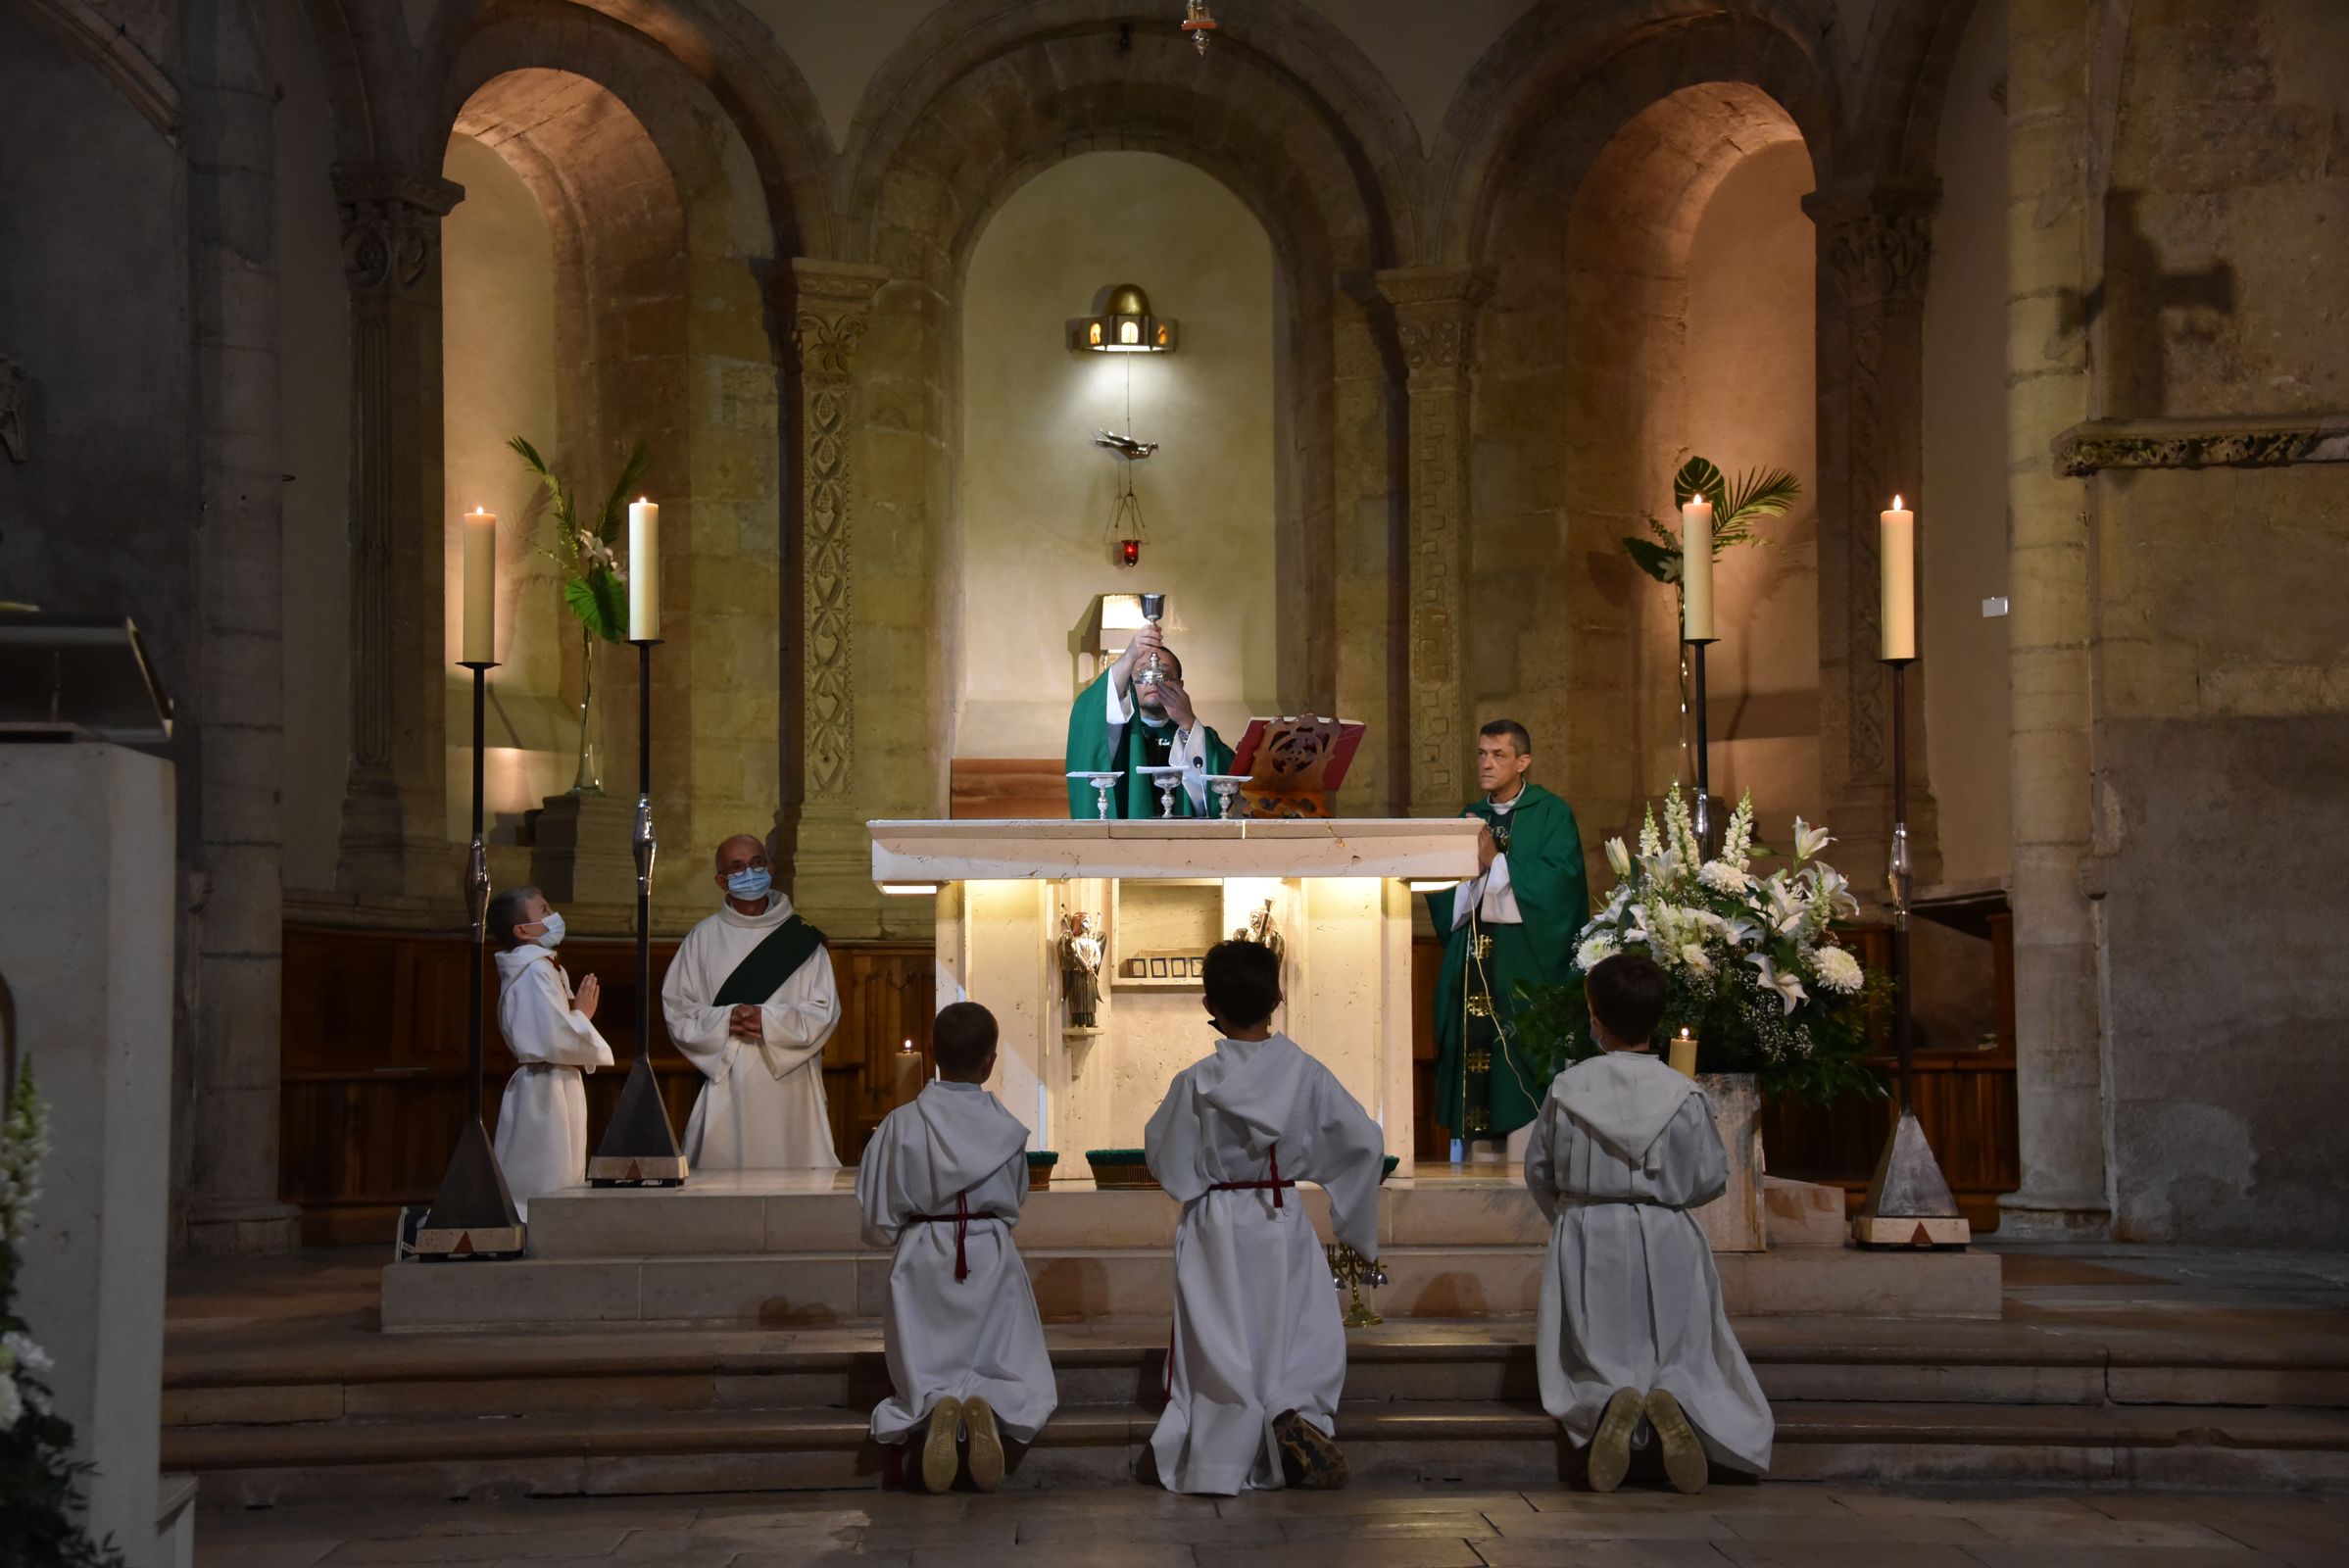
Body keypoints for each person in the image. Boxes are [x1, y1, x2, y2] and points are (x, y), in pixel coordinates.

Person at [1524, 953, 1773, 1494]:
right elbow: (1710, 1176)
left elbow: (1539, 1169)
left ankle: (1609, 1400)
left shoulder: (1569, 1090)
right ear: (1657, 1021)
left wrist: (1571, 1218)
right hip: (1667, 1237)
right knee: (1681, 1348)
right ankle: (1674, 1396)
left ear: (1595, 1018)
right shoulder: (1682, 1094)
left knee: (1589, 1353)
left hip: (1588, 1232)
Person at [1144, 940, 1385, 1494]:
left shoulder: (1195, 1081)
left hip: (1215, 1222)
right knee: (1294, 1330)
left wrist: (1196, 1179)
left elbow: (1164, 1155)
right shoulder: (1307, 1075)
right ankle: (1293, 1412)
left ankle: (1224, 1444)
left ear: (1209, 1004)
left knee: (1221, 1337)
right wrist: (1351, 1215)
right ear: (1278, 997)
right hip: (1280, 1216)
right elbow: (1364, 1142)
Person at [856, 1002, 1055, 1493]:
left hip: (923, 1251)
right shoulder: (1008, 1129)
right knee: (1004, 1354)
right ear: (990, 1061)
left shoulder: (900, 1124)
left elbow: (877, 1213)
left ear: (931, 1052)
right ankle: (987, 1403)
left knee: (925, 1354)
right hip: (987, 1250)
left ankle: (932, 1405)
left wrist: (897, 1231)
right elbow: (1015, 1198)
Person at [1428, 720, 1589, 1162]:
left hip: (1523, 968)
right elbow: (1444, 892)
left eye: (1498, 755)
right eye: (1481, 753)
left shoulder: (1552, 813)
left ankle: (1526, 1164)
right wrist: (1479, 876)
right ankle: (1472, 1166)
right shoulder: (1466, 818)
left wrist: (1496, 863)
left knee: (1517, 1061)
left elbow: (1562, 888)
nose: (1486, 763)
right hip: (1471, 965)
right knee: (1473, 1058)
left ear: (1523, 762)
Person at [660, 834, 842, 1169]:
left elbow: (824, 1010)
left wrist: (767, 1021)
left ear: (770, 867)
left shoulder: (801, 939)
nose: (750, 872)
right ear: (721, 880)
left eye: (757, 863)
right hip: (727, 1081)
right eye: (737, 867)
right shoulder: (702, 938)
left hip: (791, 1085)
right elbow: (678, 1008)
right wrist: (726, 1019)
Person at [486, 885, 613, 1219]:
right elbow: (551, 1036)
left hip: (555, 1079)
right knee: (543, 1170)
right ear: (522, 930)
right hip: (543, 1083)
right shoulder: (535, 970)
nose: (552, 915)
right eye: (543, 911)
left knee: (562, 1164)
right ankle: (535, 1226)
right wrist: (582, 1015)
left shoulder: (542, 966)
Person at [1064, 621, 1236, 817]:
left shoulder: (1200, 737)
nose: (1155, 681)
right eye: (1144, 673)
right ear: (1128, 683)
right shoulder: (1119, 735)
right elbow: (1089, 715)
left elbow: (1227, 783)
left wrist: (1188, 724)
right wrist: (1129, 656)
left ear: (1180, 685)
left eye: (1165, 674)